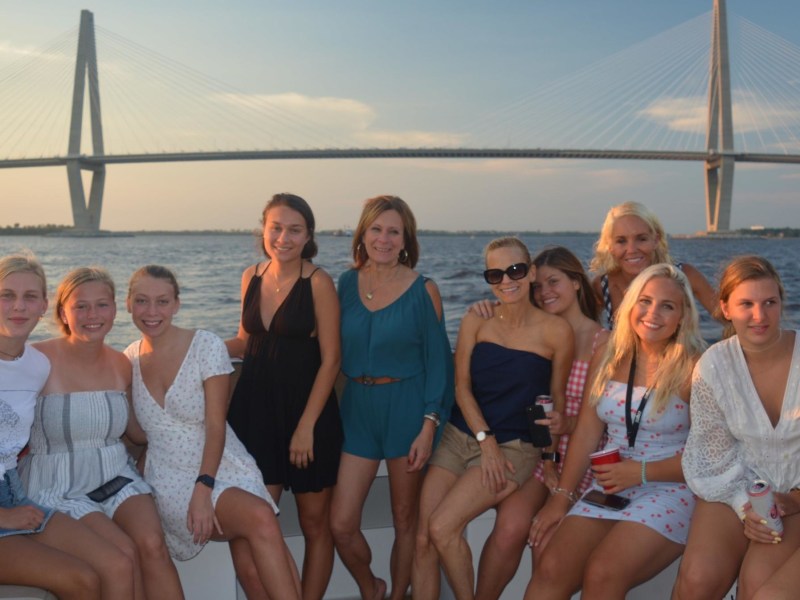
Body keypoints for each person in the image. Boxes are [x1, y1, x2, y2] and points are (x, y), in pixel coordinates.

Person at [527, 263, 706, 600]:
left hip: (669, 487)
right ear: (630, 306)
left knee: (603, 572)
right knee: (551, 567)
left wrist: (638, 472)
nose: (653, 313)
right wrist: (562, 499)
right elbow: (586, 432)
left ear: (682, 316)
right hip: (609, 486)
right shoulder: (609, 353)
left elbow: (708, 457)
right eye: (645, 301)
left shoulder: (695, 367)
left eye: (667, 306)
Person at [124, 265, 302, 599]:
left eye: (162, 301)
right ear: (128, 304)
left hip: (223, 463)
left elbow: (216, 424)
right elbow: (137, 432)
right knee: (261, 520)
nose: (152, 311)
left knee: (251, 563)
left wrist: (204, 488)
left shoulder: (205, 345)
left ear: (176, 304)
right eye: (142, 301)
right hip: (169, 477)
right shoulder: (127, 360)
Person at [413, 237, 573, 600]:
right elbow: (461, 386)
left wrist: (549, 459)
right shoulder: (476, 320)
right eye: (495, 273)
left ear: (531, 272)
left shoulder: (555, 331)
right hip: (460, 435)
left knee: (442, 527)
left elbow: (555, 402)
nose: (506, 280)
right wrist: (485, 442)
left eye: (515, 270)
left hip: (515, 447)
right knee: (423, 537)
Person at [19, 266, 183, 600]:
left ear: (115, 308)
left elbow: (137, 432)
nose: (92, 315)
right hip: (59, 483)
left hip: (114, 472)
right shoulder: (36, 361)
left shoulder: (122, 363)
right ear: (63, 312)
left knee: (153, 545)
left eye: (102, 305)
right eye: (81, 306)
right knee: (123, 555)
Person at [330, 195, 454, 600]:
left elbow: (439, 366)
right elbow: (326, 350)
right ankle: (372, 587)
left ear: (406, 240)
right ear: (363, 234)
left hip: (407, 410)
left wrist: (428, 425)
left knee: (405, 519)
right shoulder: (345, 284)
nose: (383, 238)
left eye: (393, 231)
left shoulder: (425, 290)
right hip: (357, 412)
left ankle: (398, 593)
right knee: (341, 524)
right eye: (376, 229)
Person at [473, 245, 608, 600]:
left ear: (577, 283)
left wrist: (567, 426)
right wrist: (483, 308)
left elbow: (601, 420)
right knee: (510, 526)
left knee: (544, 540)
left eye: (554, 282)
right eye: (539, 286)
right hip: (542, 454)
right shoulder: (540, 332)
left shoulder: (603, 341)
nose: (545, 292)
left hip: (584, 460)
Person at [0, 255, 138, 599]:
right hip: (6, 507)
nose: (18, 306)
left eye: (30, 296)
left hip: (13, 489)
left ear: (44, 305)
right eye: (6, 295)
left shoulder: (35, 365)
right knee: (82, 580)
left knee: (118, 563)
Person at [226, 193, 342, 600]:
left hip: (307, 416)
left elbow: (331, 361)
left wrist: (306, 428)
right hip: (254, 414)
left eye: (294, 229)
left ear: (308, 235)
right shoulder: (250, 276)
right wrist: (184, 348)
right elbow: (244, 342)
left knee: (314, 525)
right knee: (251, 526)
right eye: (276, 227)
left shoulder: (319, 282)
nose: (283, 237)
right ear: (263, 229)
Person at [675, 256, 800, 600]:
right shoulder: (713, 366)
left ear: (780, 303)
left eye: (769, 303)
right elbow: (710, 452)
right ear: (725, 308)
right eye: (746, 304)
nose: (759, 316)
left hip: (797, 489)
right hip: (735, 482)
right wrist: (747, 505)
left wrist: (793, 499)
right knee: (696, 579)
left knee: (757, 583)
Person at [590, 201, 716, 328]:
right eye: (621, 241)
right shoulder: (602, 286)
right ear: (610, 246)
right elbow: (584, 331)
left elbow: (729, 318)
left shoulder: (685, 276)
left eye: (641, 239)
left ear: (655, 240)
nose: (632, 249)